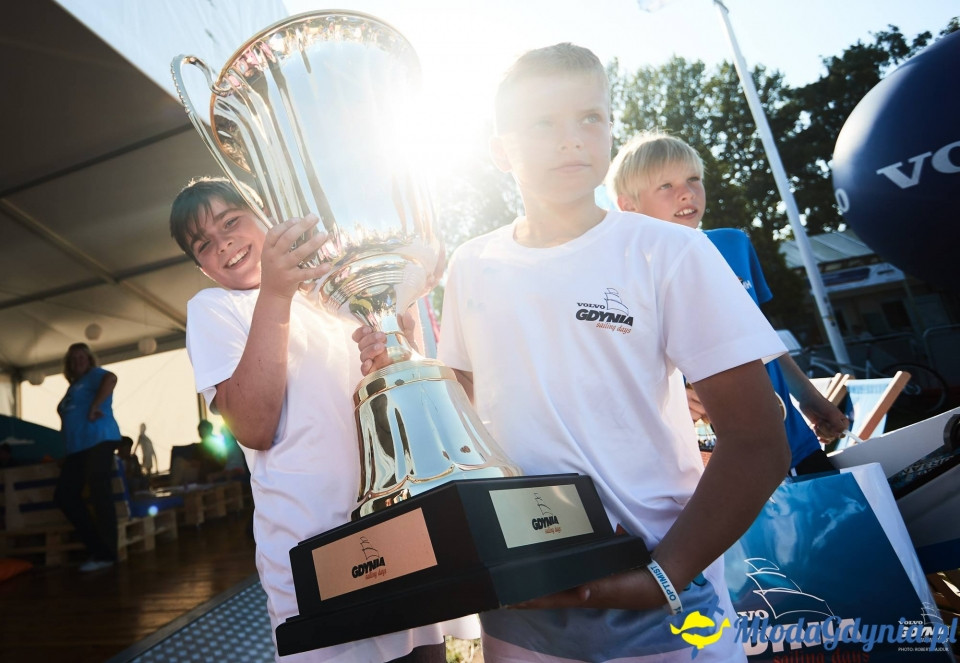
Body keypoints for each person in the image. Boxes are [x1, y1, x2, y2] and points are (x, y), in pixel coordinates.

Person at [357, 43, 790, 662]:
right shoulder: (472, 264)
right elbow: (461, 414)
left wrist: (661, 577)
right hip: (524, 603)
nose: (573, 139)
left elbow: (758, 439)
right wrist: (405, 372)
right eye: (543, 122)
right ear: (500, 150)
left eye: (591, 117)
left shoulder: (669, 251)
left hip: (659, 593)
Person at [169, 176, 477, 663]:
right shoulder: (214, 309)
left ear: (265, 214)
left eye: (231, 222)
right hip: (315, 548)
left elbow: (400, 400)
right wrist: (275, 291)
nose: (222, 242)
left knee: (424, 654)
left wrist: (394, 343)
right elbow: (253, 427)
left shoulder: (335, 292)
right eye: (203, 244)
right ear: (202, 268)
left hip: (399, 526)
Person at [607, 132, 848, 474]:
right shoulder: (623, 279)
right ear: (628, 206)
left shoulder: (734, 245)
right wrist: (669, 397)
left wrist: (809, 398)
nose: (687, 192)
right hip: (716, 462)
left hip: (794, 439)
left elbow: (762, 339)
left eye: (694, 179)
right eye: (666, 186)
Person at [54, 342, 121, 573]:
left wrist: (94, 405)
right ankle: (97, 548)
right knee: (64, 495)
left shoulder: (94, 376)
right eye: (73, 358)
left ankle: (108, 554)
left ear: (90, 360)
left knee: (99, 490)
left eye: (82, 356)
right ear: (69, 365)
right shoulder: (73, 387)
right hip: (78, 448)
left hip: (99, 439)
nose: (78, 360)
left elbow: (111, 378)